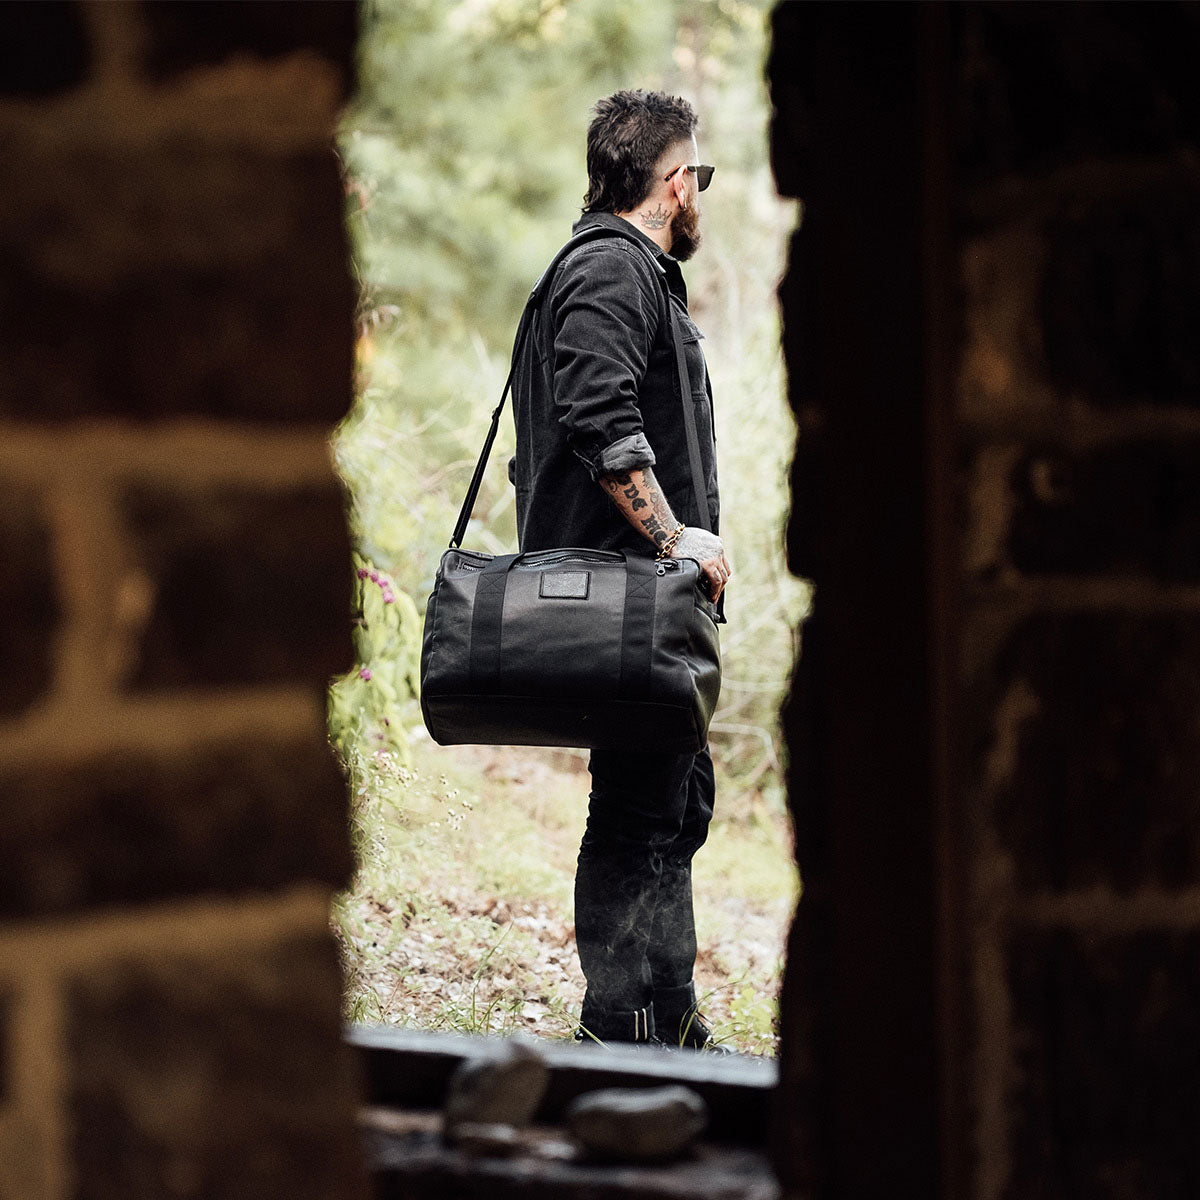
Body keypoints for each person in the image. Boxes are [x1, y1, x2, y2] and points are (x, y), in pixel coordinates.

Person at [509, 90, 731, 1049]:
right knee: (638, 812)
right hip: (623, 596)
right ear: (673, 181)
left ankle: (668, 1019)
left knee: (673, 802)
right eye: (700, 178)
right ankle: (615, 1027)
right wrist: (677, 536)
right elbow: (603, 423)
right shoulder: (611, 269)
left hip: (647, 601)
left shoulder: (623, 267)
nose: (699, 197)